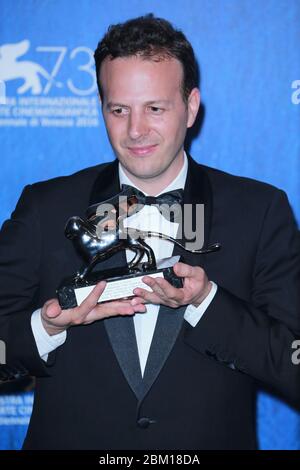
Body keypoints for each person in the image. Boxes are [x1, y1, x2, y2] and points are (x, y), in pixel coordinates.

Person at [0, 14, 299, 450]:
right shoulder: (47, 209)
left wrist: (206, 303)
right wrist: (43, 328)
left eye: (155, 108)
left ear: (191, 107)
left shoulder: (259, 210)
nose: (135, 130)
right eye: (118, 110)